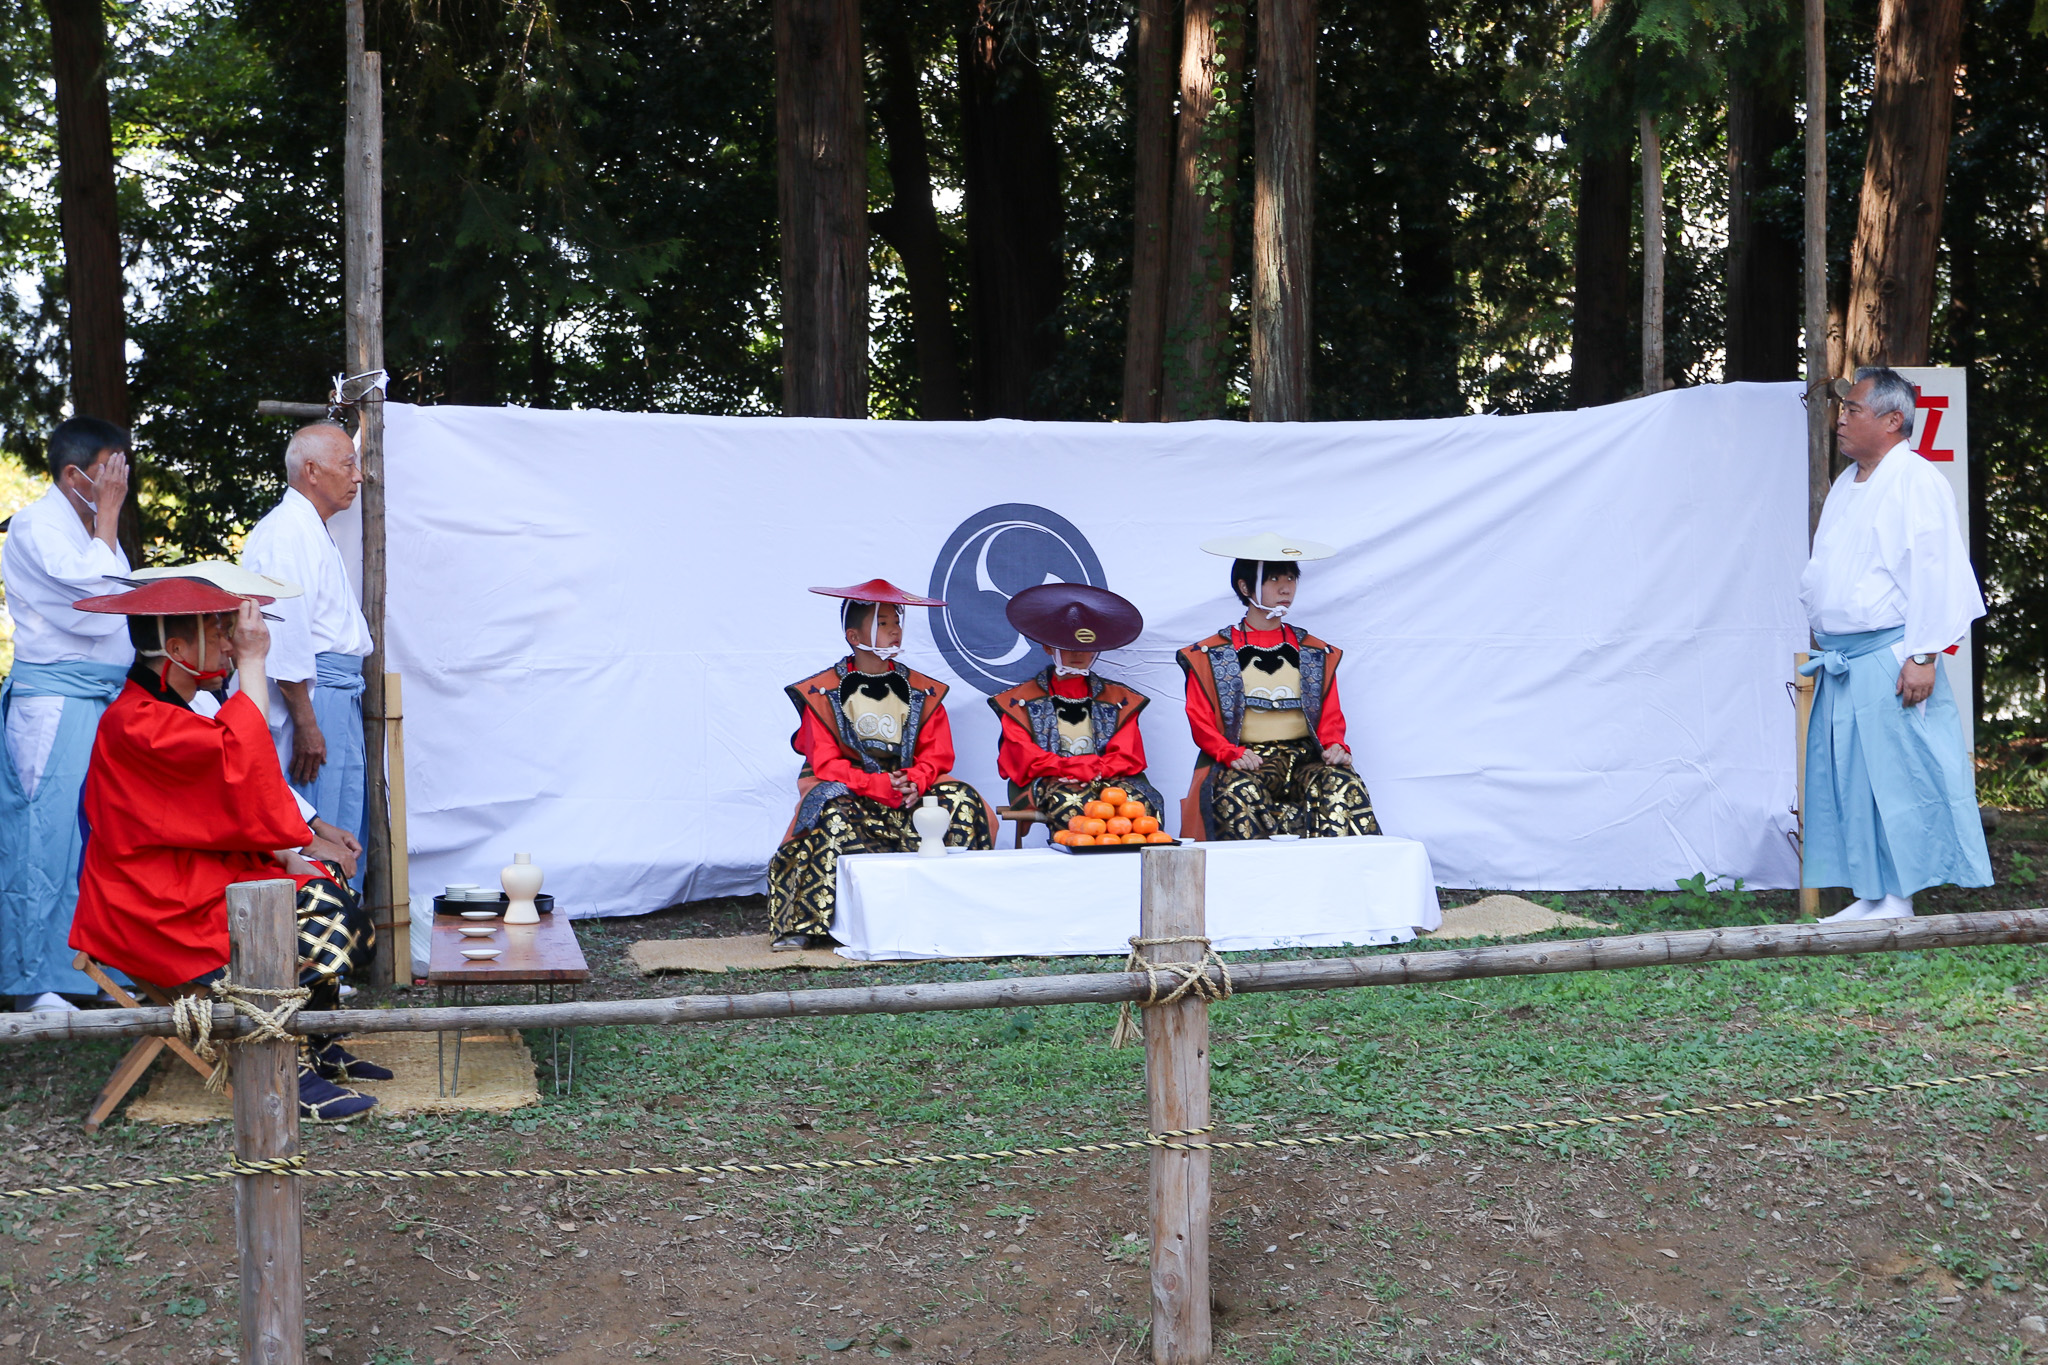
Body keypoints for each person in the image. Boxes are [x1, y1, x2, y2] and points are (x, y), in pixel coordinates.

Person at [67, 577, 386, 1121]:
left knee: (327, 885)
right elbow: (244, 761)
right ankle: (283, 1064)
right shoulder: (134, 722)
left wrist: (288, 854)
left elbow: (226, 800)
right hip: (149, 901)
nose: (226, 642)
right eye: (212, 631)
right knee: (316, 917)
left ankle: (318, 1041)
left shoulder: (173, 709)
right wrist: (257, 662)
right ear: (175, 649)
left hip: (188, 875)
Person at [1800, 365, 1992, 921]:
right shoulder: (1847, 483)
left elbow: (1937, 572)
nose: (1841, 419)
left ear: (1891, 420)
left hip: (1890, 655)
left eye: (1852, 410)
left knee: (1896, 777)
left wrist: (1924, 654)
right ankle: (1871, 892)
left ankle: (1899, 897)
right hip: (1845, 657)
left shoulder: (1916, 479)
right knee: (1852, 780)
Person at [768, 580, 993, 949]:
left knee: (961, 799)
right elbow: (825, 763)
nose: (895, 629)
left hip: (908, 793)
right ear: (854, 635)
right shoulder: (821, 692)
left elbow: (938, 755)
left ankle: (960, 910)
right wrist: (878, 786)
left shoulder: (923, 689)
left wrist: (915, 779)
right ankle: (808, 923)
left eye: (896, 621)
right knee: (830, 809)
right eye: (883, 621)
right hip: (853, 791)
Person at [0, 417, 134, 1012]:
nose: (120, 482)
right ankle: (31, 981)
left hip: (100, 699)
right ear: (75, 473)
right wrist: (107, 517)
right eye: (111, 469)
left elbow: (125, 601)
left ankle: (87, 971)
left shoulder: (89, 529)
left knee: (95, 837)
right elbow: (98, 603)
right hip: (53, 703)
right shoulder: (35, 524)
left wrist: (103, 522)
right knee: (42, 838)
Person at [240, 424, 373, 890]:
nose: (359, 476)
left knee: (345, 824)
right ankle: (319, 950)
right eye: (349, 464)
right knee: (320, 837)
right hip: (314, 698)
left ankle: (343, 946)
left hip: (336, 693)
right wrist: (307, 723)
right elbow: (286, 637)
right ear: (312, 471)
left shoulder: (308, 527)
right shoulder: (285, 532)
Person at [1178, 534, 1379, 841]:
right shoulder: (1209, 654)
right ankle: (1253, 883)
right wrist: (1229, 753)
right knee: (1238, 792)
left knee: (1342, 784)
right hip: (1245, 759)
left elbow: (1330, 715)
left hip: (1304, 759)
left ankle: (1346, 879)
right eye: (1273, 579)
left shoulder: (1315, 652)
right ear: (1245, 587)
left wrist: (1336, 746)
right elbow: (1200, 720)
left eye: (1290, 578)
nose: (1286, 588)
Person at [989, 582, 1167, 835]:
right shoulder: (1018, 701)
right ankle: (1078, 871)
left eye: (1085, 647)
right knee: (1075, 804)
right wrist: (1071, 770)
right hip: (1048, 780)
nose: (1078, 654)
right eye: (1068, 646)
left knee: (1141, 806)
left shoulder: (1121, 699)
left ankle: (1134, 870)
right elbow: (1023, 756)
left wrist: (1093, 771)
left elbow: (1127, 754)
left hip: (1109, 778)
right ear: (1048, 647)